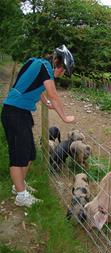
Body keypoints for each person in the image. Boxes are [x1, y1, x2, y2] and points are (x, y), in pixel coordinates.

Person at [1, 44, 75, 207]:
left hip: (21, 112)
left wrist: (45, 102)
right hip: (14, 113)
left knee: (29, 153)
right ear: (56, 61)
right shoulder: (44, 67)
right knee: (18, 157)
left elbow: (36, 87)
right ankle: (21, 196)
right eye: (62, 69)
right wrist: (64, 117)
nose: (61, 73)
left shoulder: (36, 63)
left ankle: (18, 186)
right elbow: (54, 95)